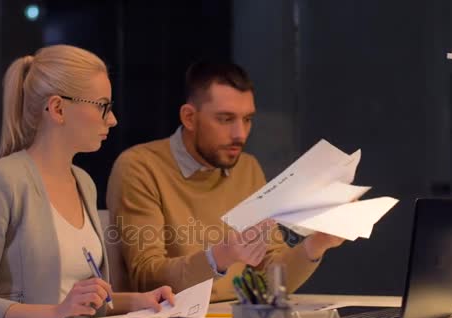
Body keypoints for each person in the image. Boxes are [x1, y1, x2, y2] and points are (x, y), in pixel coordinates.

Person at [0, 45, 174, 318]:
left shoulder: (83, 181)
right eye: (103, 106)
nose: (112, 119)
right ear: (58, 108)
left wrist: (138, 300)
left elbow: (74, 301)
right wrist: (57, 313)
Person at [106, 61, 345, 301]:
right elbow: (146, 277)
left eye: (247, 119)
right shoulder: (140, 167)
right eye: (225, 119)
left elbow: (269, 279)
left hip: (235, 315)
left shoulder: (247, 168)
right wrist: (219, 257)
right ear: (189, 118)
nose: (240, 134)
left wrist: (315, 245)